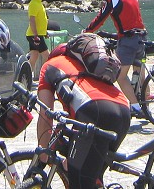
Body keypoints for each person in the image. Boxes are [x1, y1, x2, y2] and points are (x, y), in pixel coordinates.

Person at [37, 40, 131, 189]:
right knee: (92, 176)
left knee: (80, 182)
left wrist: (43, 154)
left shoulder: (49, 66)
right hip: (124, 110)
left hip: (94, 111)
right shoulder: (86, 67)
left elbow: (46, 114)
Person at [85, 0, 147, 115]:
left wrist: (87, 32)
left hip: (128, 41)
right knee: (139, 73)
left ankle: (136, 108)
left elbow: (100, 18)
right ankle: (146, 106)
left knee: (120, 75)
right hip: (142, 38)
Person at [25, 0, 50, 78]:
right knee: (47, 56)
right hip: (34, 35)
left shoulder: (38, 3)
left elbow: (41, 20)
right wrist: (36, 35)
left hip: (36, 35)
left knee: (34, 57)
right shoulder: (34, 4)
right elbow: (32, 20)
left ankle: (26, 76)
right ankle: (44, 77)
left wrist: (44, 32)